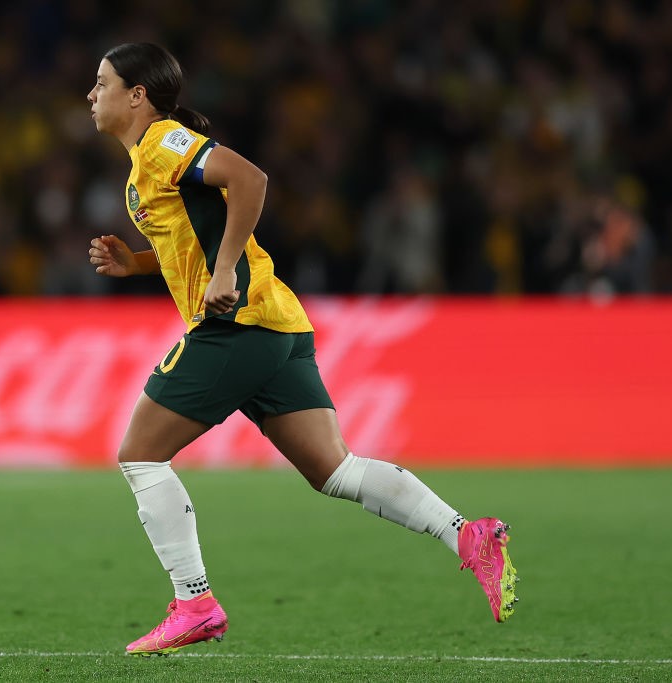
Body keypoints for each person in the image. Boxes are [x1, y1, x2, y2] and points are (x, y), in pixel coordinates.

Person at [86, 43, 519, 657]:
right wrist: (134, 264)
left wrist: (228, 269)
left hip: (238, 324)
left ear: (137, 95)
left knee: (140, 455)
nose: (90, 94)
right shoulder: (144, 166)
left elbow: (249, 179)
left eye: (101, 82)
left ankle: (195, 602)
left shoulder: (162, 141)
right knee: (335, 470)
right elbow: (193, 245)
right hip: (278, 325)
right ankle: (468, 535)